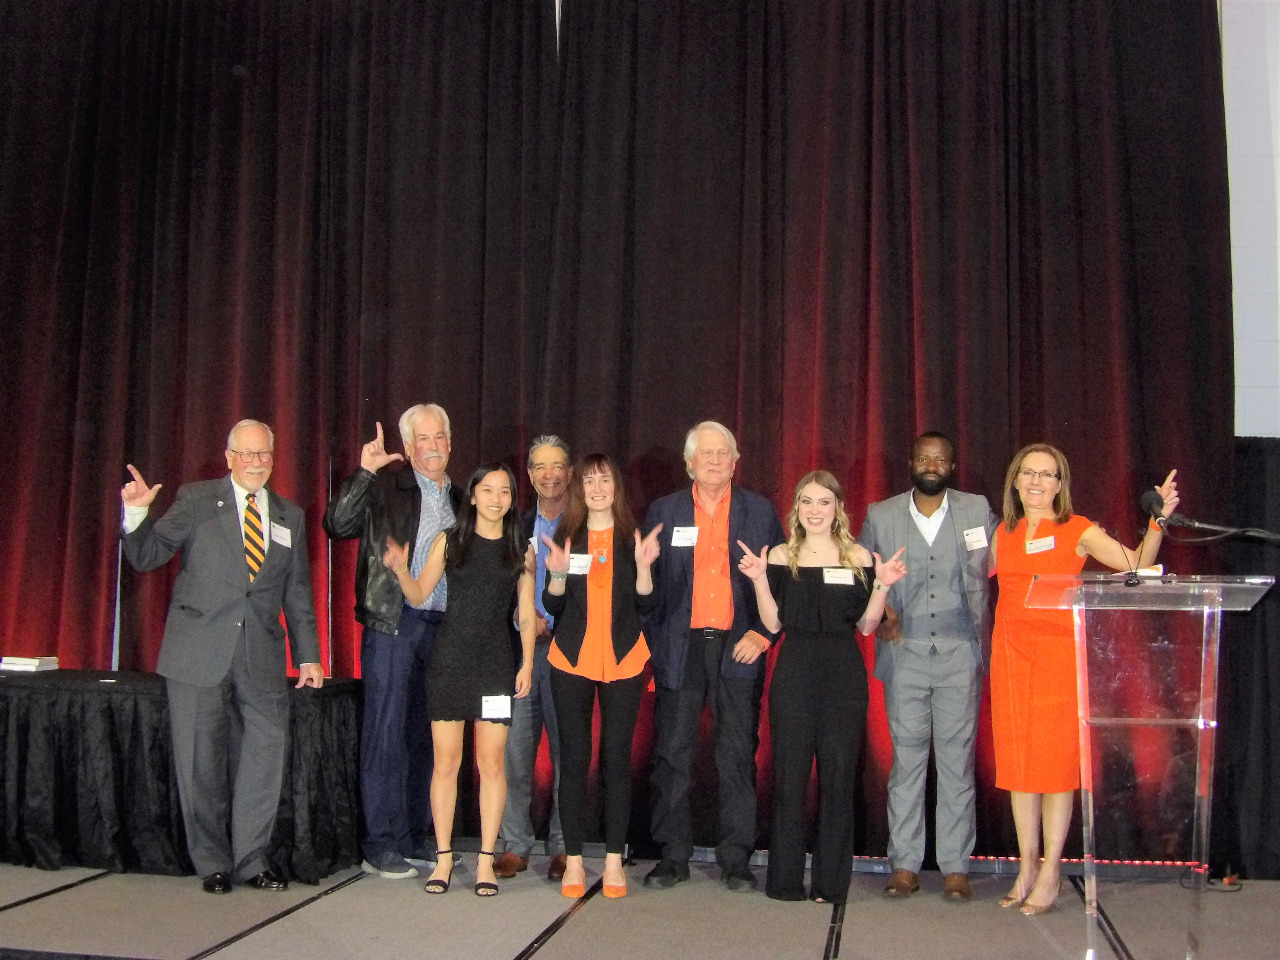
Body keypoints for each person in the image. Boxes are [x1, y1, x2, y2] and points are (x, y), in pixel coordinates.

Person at [120, 419, 323, 894]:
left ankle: (253, 861)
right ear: (228, 457)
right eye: (246, 454)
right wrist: (135, 516)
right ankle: (211, 861)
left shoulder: (288, 516)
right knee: (201, 763)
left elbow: (297, 593)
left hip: (262, 657)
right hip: (198, 653)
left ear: (273, 458)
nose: (255, 463)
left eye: (264, 454)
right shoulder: (196, 500)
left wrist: (309, 654)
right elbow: (147, 555)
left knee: (264, 759)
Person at [991, 443, 1179, 915]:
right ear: (1015, 481)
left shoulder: (1078, 530)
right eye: (1028, 473)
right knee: (1020, 769)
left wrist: (1158, 519)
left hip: (1055, 657)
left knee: (1054, 770)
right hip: (1010, 656)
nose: (1036, 482)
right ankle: (1026, 865)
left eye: (1047, 474)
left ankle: (1052, 870)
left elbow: (1136, 564)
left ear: (1060, 484)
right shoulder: (1003, 531)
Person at [738, 470, 906, 902]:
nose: (815, 511)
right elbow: (773, 623)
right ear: (797, 509)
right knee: (790, 780)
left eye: (824, 502)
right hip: (793, 671)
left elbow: (868, 626)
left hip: (842, 674)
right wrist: (758, 578)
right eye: (807, 502)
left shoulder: (859, 557)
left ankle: (832, 885)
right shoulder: (778, 555)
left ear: (837, 509)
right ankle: (785, 883)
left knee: (837, 780)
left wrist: (883, 585)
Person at [643, 421, 785, 891]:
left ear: (736, 460)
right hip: (679, 647)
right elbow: (650, 592)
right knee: (672, 753)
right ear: (689, 462)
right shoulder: (663, 511)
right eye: (706, 453)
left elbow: (780, 582)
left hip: (738, 646)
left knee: (737, 754)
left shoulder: (759, 511)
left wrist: (765, 634)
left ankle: (737, 857)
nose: (715, 460)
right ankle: (672, 854)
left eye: (724, 452)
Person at [383, 463, 536, 896]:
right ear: (472, 496)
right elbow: (418, 594)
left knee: (492, 765)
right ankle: (445, 858)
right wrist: (398, 568)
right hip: (450, 661)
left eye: (504, 492)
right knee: (446, 764)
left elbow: (525, 614)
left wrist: (525, 664)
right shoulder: (450, 540)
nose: (496, 498)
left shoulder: (520, 548)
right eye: (487, 490)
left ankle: (487, 860)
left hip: (495, 665)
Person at [858, 432, 997, 901]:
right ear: (912, 463)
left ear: (952, 465)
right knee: (907, 762)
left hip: (961, 653)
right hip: (906, 655)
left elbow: (1003, 564)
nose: (931, 464)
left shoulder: (977, 510)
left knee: (957, 764)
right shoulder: (882, 514)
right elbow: (861, 572)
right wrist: (885, 616)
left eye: (940, 458)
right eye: (924, 457)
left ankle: (955, 865)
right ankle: (904, 863)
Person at [323, 405, 461, 880]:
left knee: (426, 735)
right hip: (393, 622)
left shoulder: (463, 499)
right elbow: (336, 524)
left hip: (444, 628)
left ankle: (413, 835)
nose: (434, 445)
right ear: (408, 447)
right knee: (384, 733)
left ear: (451, 441)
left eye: (440, 435)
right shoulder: (385, 487)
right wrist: (363, 472)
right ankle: (379, 841)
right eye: (423, 438)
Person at [541, 454, 664, 900]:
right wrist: (555, 575)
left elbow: (647, 605)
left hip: (624, 660)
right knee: (572, 763)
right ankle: (574, 859)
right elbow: (553, 607)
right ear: (579, 489)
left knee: (615, 763)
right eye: (589, 480)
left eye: (604, 479)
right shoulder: (566, 535)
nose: (596, 487)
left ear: (616, 487)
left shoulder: (633, 538)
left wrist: (646, 567)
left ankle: (614, 862)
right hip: (571, 661)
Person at [495, 436, 571, 882]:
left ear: (569, 472)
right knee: (515, 753)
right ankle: (515, 845)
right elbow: (499, 587)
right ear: (528, 474)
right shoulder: (513, 525)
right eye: (540, 466)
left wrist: (555, 621)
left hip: (566, 653)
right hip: (520, 654)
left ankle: (564, 846)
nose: (549, 474)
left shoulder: (583, 526)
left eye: (557, 465)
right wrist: (523, 620)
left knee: (568, 755)